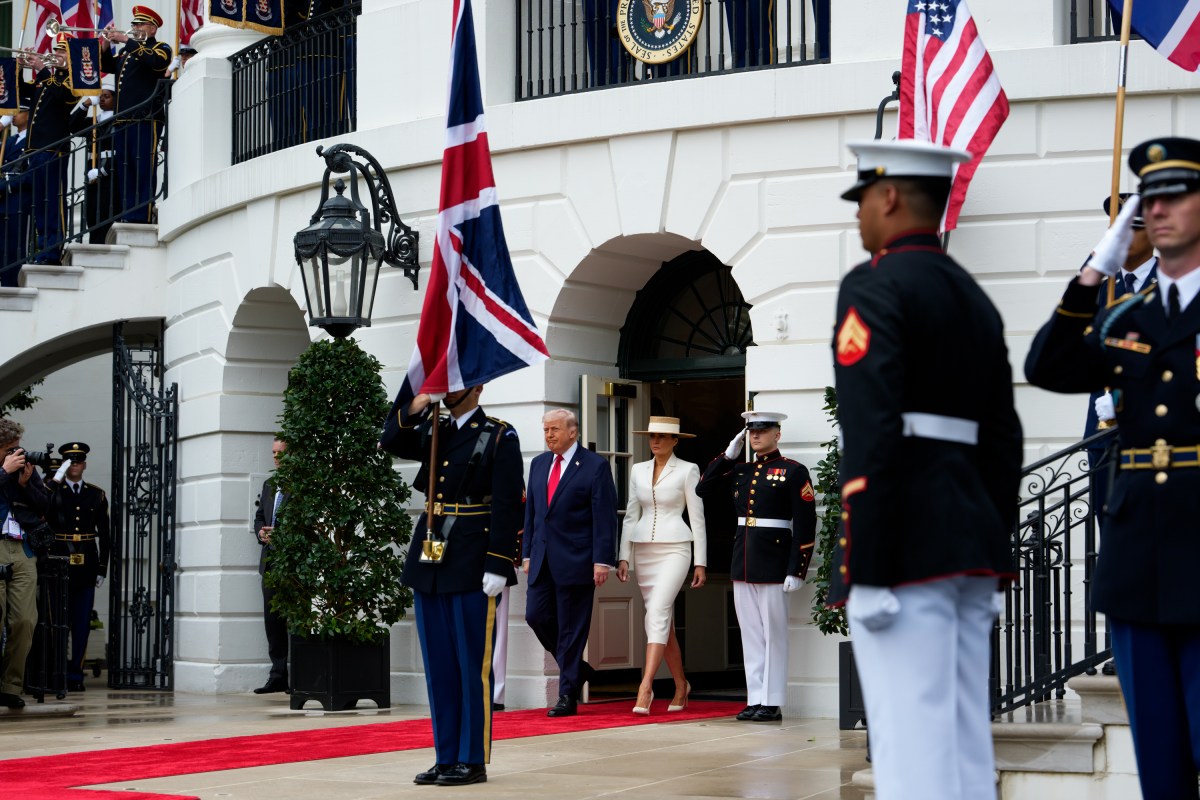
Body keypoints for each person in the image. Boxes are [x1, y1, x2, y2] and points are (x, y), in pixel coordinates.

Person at [829, 139, 1022, 800]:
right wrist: (996, 547)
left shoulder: (874, 285)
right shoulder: (973, 296)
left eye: (861, 201)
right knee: (963, 737)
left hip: (905, 545)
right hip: (969, 544)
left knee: (909, 745)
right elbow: (1003, 439)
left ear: (889, 197)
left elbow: (872, 427)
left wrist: (871, 565)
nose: (857, 217)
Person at [1025, 136, 1200, 800]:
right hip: (1136, 560)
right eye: (1147, 201)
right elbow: (1046, 366)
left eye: (1174, 196)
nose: (1156, 210)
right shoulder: (1126, 313)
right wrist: (1093, 271)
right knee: (1160, 766)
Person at [380, 384, 523, 786]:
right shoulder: (432, 429)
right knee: (439, 665)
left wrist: (498, 562)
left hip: (473, 559)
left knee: (471, 666)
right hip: (431, 556)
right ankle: (446, 756)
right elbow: (389, 437)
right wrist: (417, 400)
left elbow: (510, 503)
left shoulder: (499, 434)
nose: (448, 388)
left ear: (476, 387)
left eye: (456, 381)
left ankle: (471, 759)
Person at [696, 410, 815, 723]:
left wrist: (796, 569)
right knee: (750, 635)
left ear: (777, 433)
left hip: (775, 562)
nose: (756, 436)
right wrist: (727, 456)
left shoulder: (793, 471)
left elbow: (805, 523)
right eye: (751, 431)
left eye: (763, 430)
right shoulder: (741, 470)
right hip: (743, 560)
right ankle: (755, 698)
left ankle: (772, 701)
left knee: (774, 634)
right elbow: (703, 488)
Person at [522, 408, 617, 718]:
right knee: (536, 616)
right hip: (542, 559)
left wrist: (602, 560)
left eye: (555, 429)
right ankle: (577, 669)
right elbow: (533, 515)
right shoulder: (538, 464)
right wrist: (525, 553)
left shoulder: (595, 467)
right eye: (546, 429)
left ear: (573, 432)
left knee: (572, 629)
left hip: (578, 561)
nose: (549, 434)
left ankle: (567, 694)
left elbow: (604, 518)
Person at [615, 416, 706, 715]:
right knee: (663, 622)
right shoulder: (637, 469)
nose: (655, 441)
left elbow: (697, 518)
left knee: (657, 613)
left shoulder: (688, 470)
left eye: (662, 437)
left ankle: (646, 685)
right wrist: (624, 554)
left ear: (675, 441)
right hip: (644, 550)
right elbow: (631, 514)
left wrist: (700, 562)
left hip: (676, 549)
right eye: (652, 436)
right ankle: (681, 684)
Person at [100, 6, 172, 224]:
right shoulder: (126, 52)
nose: (134, 28)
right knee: (125, 170)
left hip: (145, 118)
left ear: (152, 28)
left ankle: (142, 213)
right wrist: (105, 45)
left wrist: (126, 41)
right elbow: (106, 66)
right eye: (133, 24)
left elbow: (156, 62)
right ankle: (129, 214)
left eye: (139, 24)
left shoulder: (161, 47)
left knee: (142, 168)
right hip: (123, 119)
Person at [47, 442, 109, 692]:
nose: (75, 465)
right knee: (56, 623)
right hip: (58, 563)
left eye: (78, 461)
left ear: (84, 464)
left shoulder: (96, 494)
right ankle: (56, 673)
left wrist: (102, 567)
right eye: (70, 461)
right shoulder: (52, 491)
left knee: (81, 623)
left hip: (86, 565)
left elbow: (104, 534)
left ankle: (75, 675)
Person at [0, 418, 53, 709]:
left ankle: (10, 686)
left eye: (18, 448)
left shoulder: (24, 469)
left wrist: (24, 485)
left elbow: (45, 506)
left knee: (24, 620)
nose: (17, 454)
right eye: (10, 449)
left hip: (23, 549)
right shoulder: (5, 468)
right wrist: (3, 473)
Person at [24, 35, 86, 265]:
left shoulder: (72, 81)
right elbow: (21, 91)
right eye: (56, 51)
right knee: (40, 204)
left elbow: (64, 96)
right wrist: (21, 68)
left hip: (53, 149)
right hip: (37, 149)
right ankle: (43, 249)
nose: (56, 55)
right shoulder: (47, 80)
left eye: (61, 52)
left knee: (52, 202)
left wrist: (42, 71)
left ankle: (53, 250)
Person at [251, 437, 289, 694]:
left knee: (294, 620)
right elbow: (260, 517)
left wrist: (282, 534)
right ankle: (278, 674)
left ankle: (298, 674)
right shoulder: (269, 485)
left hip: (293, 564)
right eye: (274, 453)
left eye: (281, 453)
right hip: (270, 563)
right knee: (272, 620)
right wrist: (261, 533)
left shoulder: (302, 485)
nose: (276, 458)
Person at [0, 101, 30, 285]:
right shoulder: (9, 140)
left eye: (18, 111)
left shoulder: (31, 140)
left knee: (14, 248)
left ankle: (13, 285)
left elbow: (26, 174)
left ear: (28, 114)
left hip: (17, 201)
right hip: (3, 202)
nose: (14, 115)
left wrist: (3, 186)